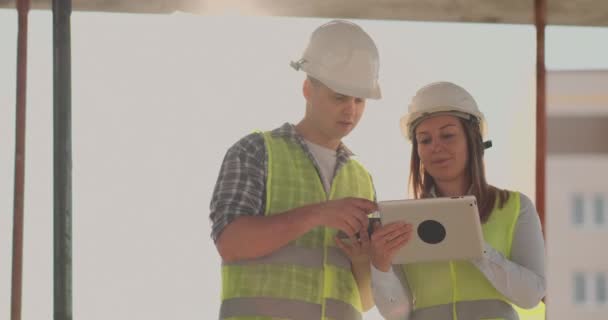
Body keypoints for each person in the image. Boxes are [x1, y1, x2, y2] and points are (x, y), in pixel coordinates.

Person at [209, 20, 382, 320]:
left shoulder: (362, 179)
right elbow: (231, 242)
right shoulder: (256, 151)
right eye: (339, 97)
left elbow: (365, 301)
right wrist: (317, 214)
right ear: (307, 89)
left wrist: (365, 261)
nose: (350, 110)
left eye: (359, 100)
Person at [369, 81, 547, 320]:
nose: (436, 147)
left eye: (448, 135)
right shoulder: (403, 220)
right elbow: (397, 313)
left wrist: (476, 249)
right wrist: (380, 267)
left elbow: (532, 295)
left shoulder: (515, 207)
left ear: (472, 139)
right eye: (425, 140)